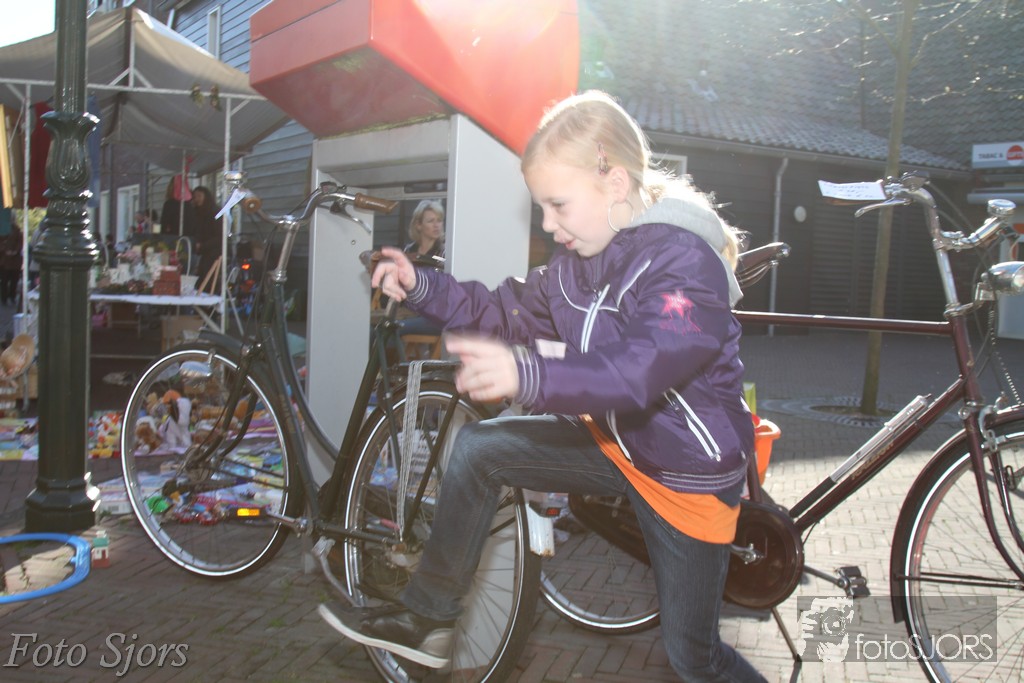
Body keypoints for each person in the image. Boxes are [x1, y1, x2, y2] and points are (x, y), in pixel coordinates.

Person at [319, 90, 765, 681]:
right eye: (542, 209)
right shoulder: (574, 269)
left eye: (558, 205)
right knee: (481, 450)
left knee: (694, 658)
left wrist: (528, 373)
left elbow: (640, 369)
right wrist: (422, 285)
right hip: (617, 445)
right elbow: (503, 311)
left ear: (614, 183)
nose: (549, 226)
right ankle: (426, 619)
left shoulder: (684, 265)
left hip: (683, 476)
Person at [188, 186, 222, 284]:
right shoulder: (197, 213)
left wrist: (203, 245)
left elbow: (219, 237)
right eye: (195, 197)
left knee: (208, 281)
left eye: (199, 196)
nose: (197, 199)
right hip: (204, 253)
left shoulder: (215, 212)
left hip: (214, 253)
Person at [0, 225, 22, 307]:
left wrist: (15, 251)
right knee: (4, 281)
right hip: (4, 262)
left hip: (15, 262)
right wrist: (5, 250)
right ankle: (4, 298)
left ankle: (11, 297)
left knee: (13, 281)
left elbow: (20, 244)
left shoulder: (18, 231)